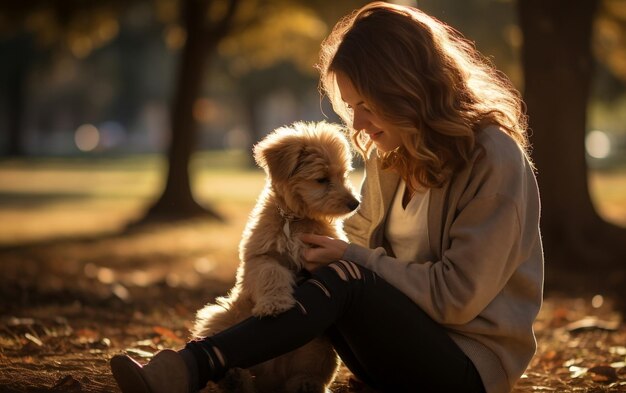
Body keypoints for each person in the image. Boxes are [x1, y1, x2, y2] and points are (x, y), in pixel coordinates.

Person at [110, 2, 544, 393]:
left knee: (342, 273)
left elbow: (456, 297)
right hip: (386, 354)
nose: (357, 122)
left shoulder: (493, 158)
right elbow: (352, 244)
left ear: (405, 88)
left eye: (365, 104)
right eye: (351, 105)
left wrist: (353, 260)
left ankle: (191, 366)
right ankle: (235, 369)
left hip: (466, 369)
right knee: (318, 268)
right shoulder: (392, 154)